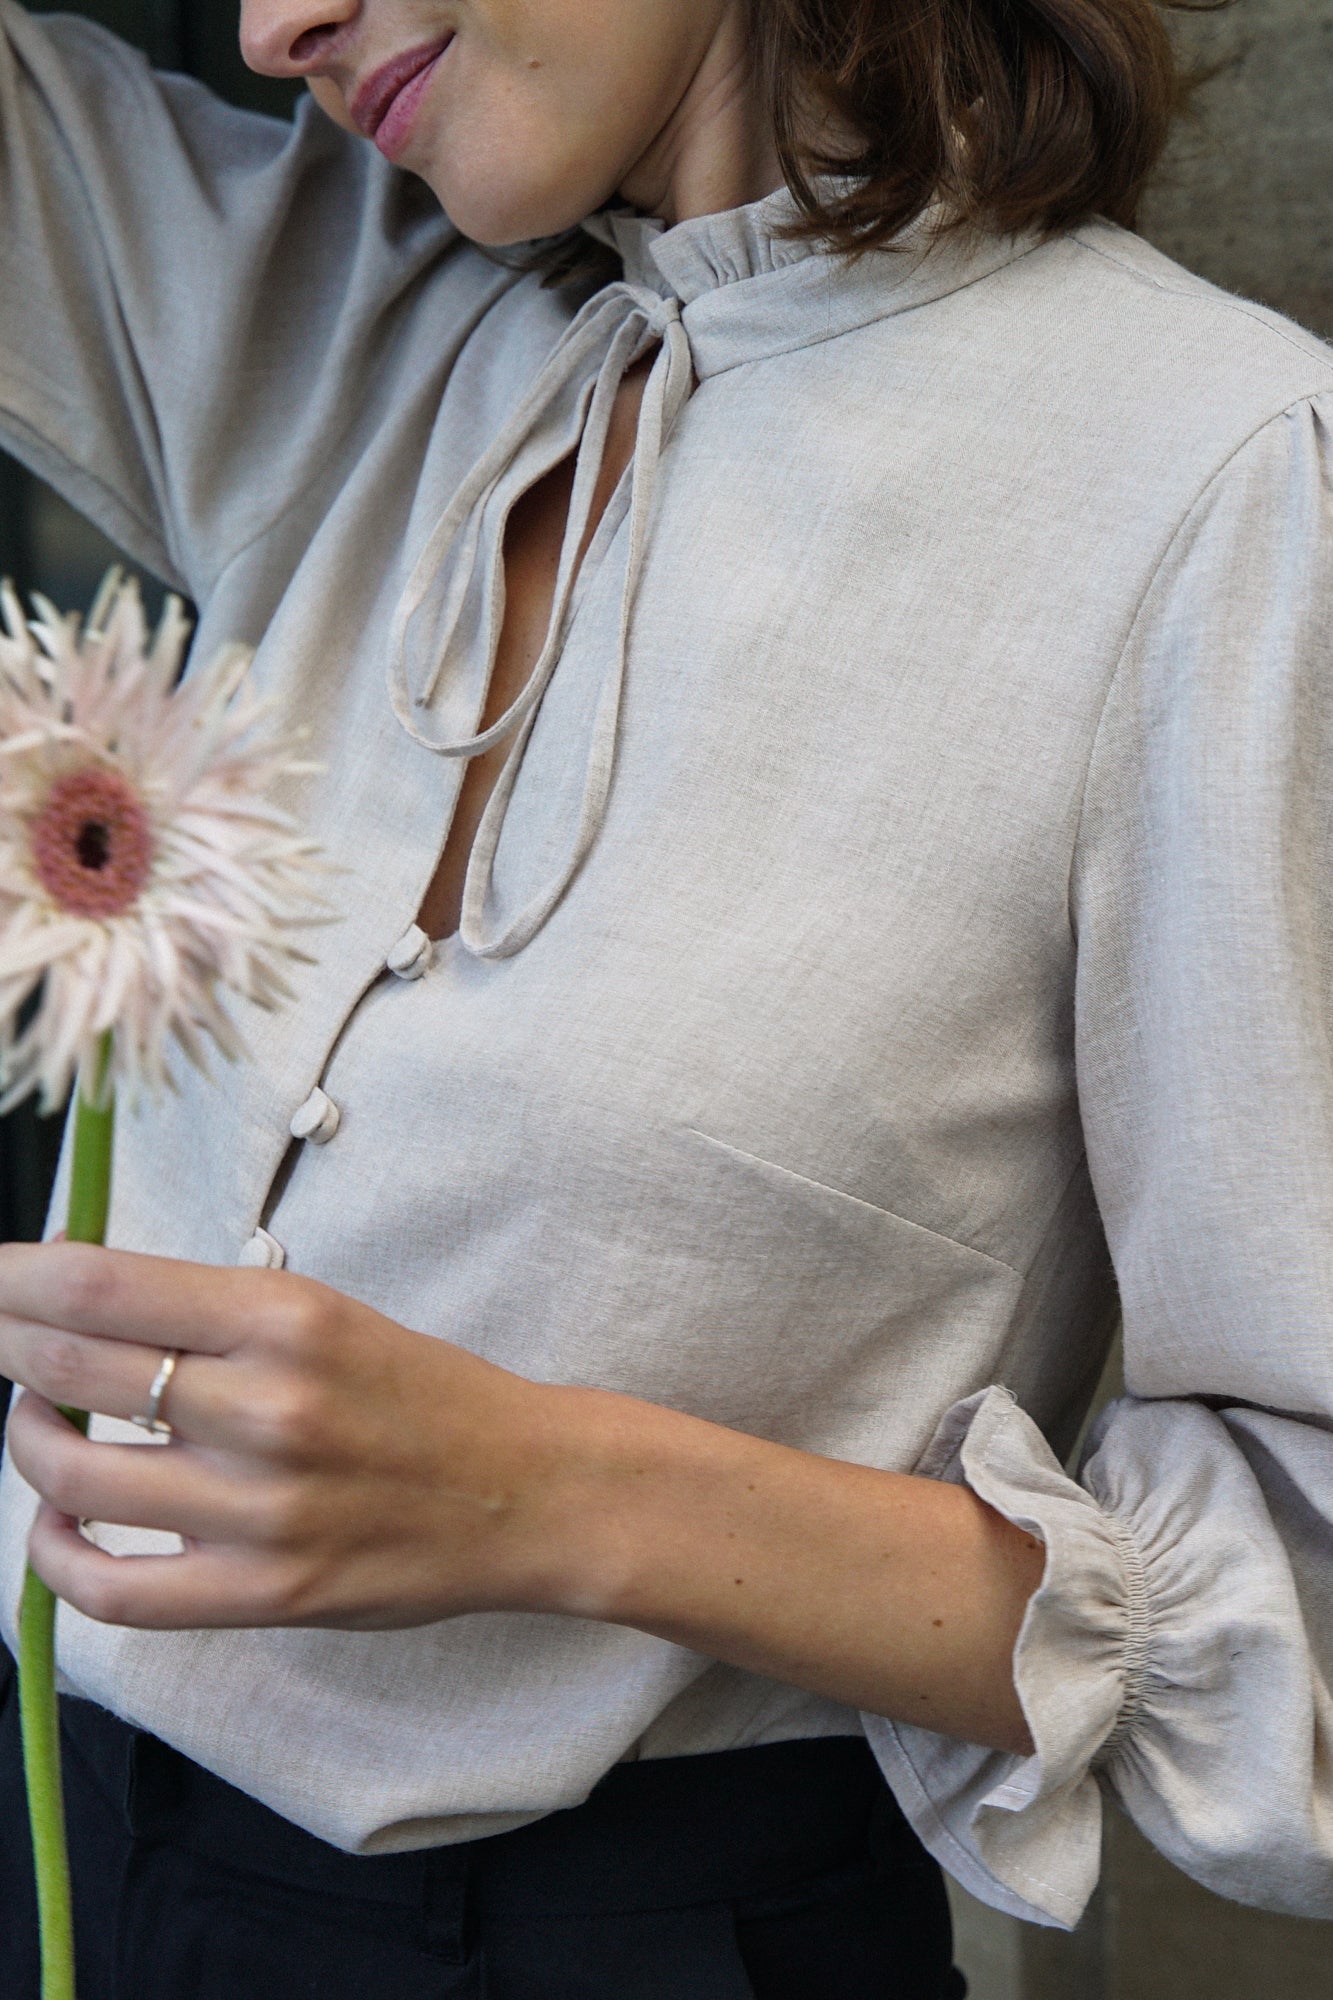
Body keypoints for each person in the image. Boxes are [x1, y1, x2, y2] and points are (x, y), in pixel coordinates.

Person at [0, 0, 1330, 1992]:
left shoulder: (1220, 484)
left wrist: (551, 1488)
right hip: (59, 1864)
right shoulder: (345, 322)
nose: (274, 26)